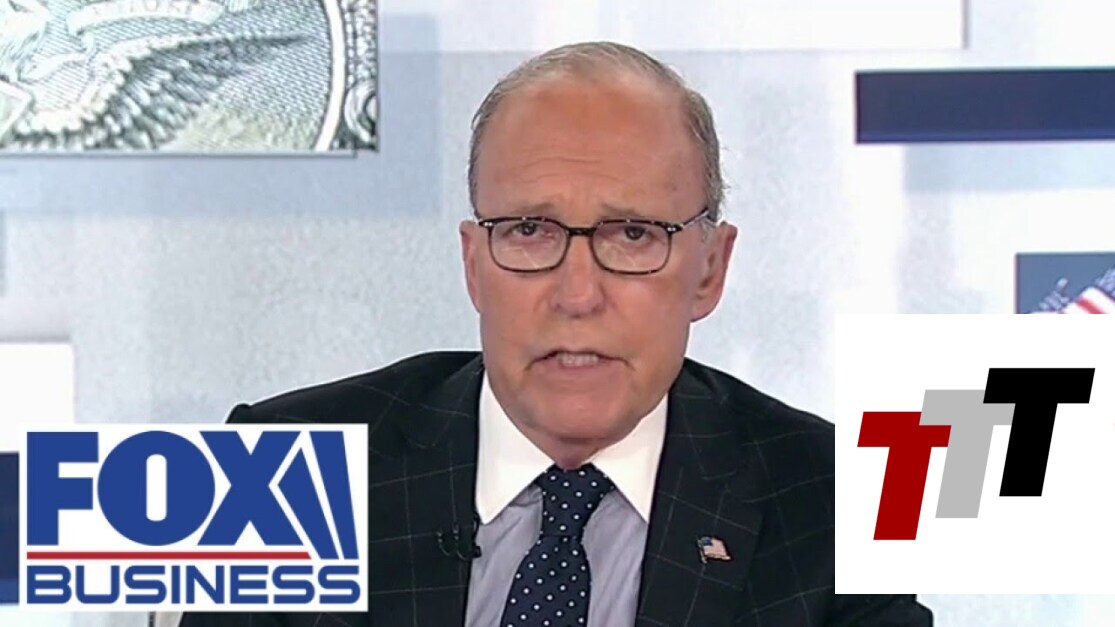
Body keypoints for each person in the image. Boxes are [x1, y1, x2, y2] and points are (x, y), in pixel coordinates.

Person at [182, 42, 932, 627]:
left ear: (709, 269)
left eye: (633, 234)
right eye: (529, 230)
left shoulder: (836, 505)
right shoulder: (282, 467)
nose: (576, 294)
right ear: (474, 265)